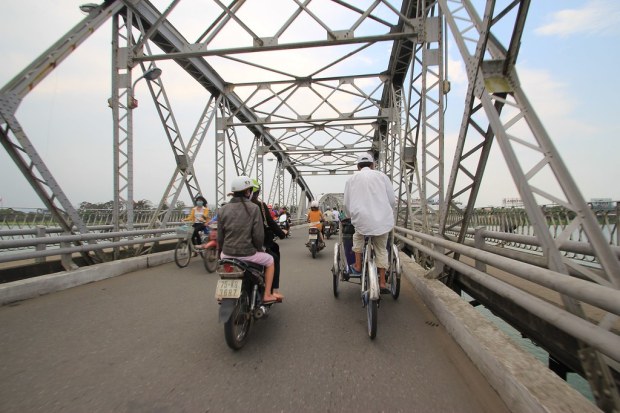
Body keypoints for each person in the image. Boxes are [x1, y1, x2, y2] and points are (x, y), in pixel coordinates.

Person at [217, 176, 283, 303]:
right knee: (270, 260)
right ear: (248, 192)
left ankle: (223, 293)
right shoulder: (254, 208)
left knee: (226, 265)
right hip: (248, 253)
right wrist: (259, 249)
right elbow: (258, 236)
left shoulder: (223, 209)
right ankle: (268, 294)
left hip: (226, 253)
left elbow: (220, 236)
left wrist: (221, 252)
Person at [344, 153, 395, 290]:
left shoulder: (351, 180)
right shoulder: (382, 177)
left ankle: (358, 265)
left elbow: (347, 204)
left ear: (358, 166)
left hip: (362, 220)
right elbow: (392, 201)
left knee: (358, 237)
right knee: (381, 249)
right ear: (373, 165)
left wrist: (349, 215)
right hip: (382, 221)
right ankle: (383, 281)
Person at [251, 179, 287, 297]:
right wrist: (282, 234)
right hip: (257, 245)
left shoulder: (229, 207)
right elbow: (270, 223)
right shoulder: (259, 206)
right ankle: (273, 291)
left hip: (228, 251)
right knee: (273, 259)